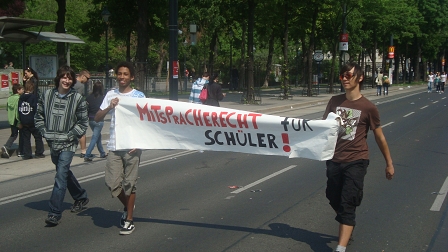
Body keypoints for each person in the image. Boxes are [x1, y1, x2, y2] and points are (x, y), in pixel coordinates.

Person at [322, 62, 394, 252]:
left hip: (356, 160)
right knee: (333, 197)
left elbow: (379, 136)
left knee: (348, 203)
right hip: (334, 159)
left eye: (348, 75)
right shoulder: (334, 102)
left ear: (360, 78)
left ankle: (341, 247)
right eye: (342, 76)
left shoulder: (368, 108)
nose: (344, 79)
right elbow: (322, 129)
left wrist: (389, 163)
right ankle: (347, 221)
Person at [94, 61, 145, 235]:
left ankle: (129, 219)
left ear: (131, 77)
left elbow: (145, 122)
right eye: (119, 73)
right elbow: (97, 118)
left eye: (125, 74)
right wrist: (110, 106)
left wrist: (139, 143)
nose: (122, 77)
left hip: (132, 147)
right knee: (112, 183)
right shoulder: (110, 94)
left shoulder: (139, 96)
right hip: (115, 146)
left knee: (130, 184)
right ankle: (128, 205)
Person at [35, 65, 89, 226]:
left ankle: (54, 212)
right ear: (58, 78)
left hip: (68, 144)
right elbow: (38, 116)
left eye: (69, 78)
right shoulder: (46, 95)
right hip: (52, 142)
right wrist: (44, 131)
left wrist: (70, 135)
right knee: (63, 172)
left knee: (60, 176)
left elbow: (83, 122)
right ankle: (80, 196)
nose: (66, 80)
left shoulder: (77, 98)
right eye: (64, 77)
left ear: (73, 80)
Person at [18, 80, 45, 160]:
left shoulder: (21, 98)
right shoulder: (33, 97)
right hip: (33, 121)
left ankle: (27, 154)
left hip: (24, 121)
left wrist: (20, 120)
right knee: (38, 137)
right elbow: (36, 109)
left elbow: (19, 110)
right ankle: (39, 152)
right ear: (32, 88)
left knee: (26, 138)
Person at [84, 81, 107, 162]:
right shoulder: (103, 98)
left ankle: (102, 153)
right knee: (94, 137)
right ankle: (87, 154)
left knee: (98, 137)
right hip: (99, 120)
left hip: (90, 119)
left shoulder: (89, 97)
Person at [1, 84, 24, 158]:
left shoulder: (9, 98)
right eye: (22, 89)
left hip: (11, 119)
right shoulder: (19, 98)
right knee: (21, 134)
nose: (23, 90)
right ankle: (20, 151)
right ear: (18, 90)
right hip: (17, 119)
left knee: (14, 134)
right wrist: (20, 121)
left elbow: (8, 108)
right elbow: (18, 110)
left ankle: (7, 146)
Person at [73, 70, 91, 158]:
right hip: (77, 111)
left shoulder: (72, 83)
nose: (87, 80)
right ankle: (83, 151)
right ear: (83, 76)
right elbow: (78, 99)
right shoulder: (80, 86)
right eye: (87, 78)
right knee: (82, 131)